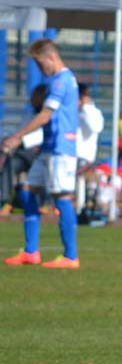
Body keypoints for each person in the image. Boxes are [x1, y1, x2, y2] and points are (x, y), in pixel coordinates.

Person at [2, 38, 80, 268]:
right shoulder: (58, 80)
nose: (39, 69)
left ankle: (70, 256)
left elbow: (45, 115)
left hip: (61, 149)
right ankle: (31, 252)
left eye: (39, 64)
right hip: (49, 148)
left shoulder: (61, 81)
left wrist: (17, 136)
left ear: (50, 58)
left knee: (62, 197)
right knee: (27, 192)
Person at [0, 85, 47, 216]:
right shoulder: (29, 114)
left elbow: (40, 136)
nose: (31, 99)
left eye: (34, 96)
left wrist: (19, 141)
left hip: (39, 154)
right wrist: (9, 140)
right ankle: (4, 201)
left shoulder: (47, 116)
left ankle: (43, 203)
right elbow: (17, 133)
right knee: (9, 163)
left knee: (42, 171)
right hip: (22, 153)